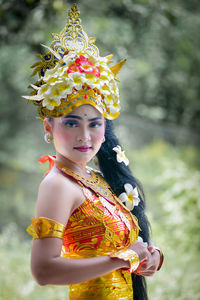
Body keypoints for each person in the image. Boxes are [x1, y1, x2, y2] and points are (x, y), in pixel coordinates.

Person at [24, 4, 164, 300]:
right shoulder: (57, 185)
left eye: (94, 124)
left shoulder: (96, 179)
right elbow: (43, 271)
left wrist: (148, 258)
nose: (84, 136)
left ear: (105, 127)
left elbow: (120, 252)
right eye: (71, 123)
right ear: (48, 127)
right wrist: (125, 258)